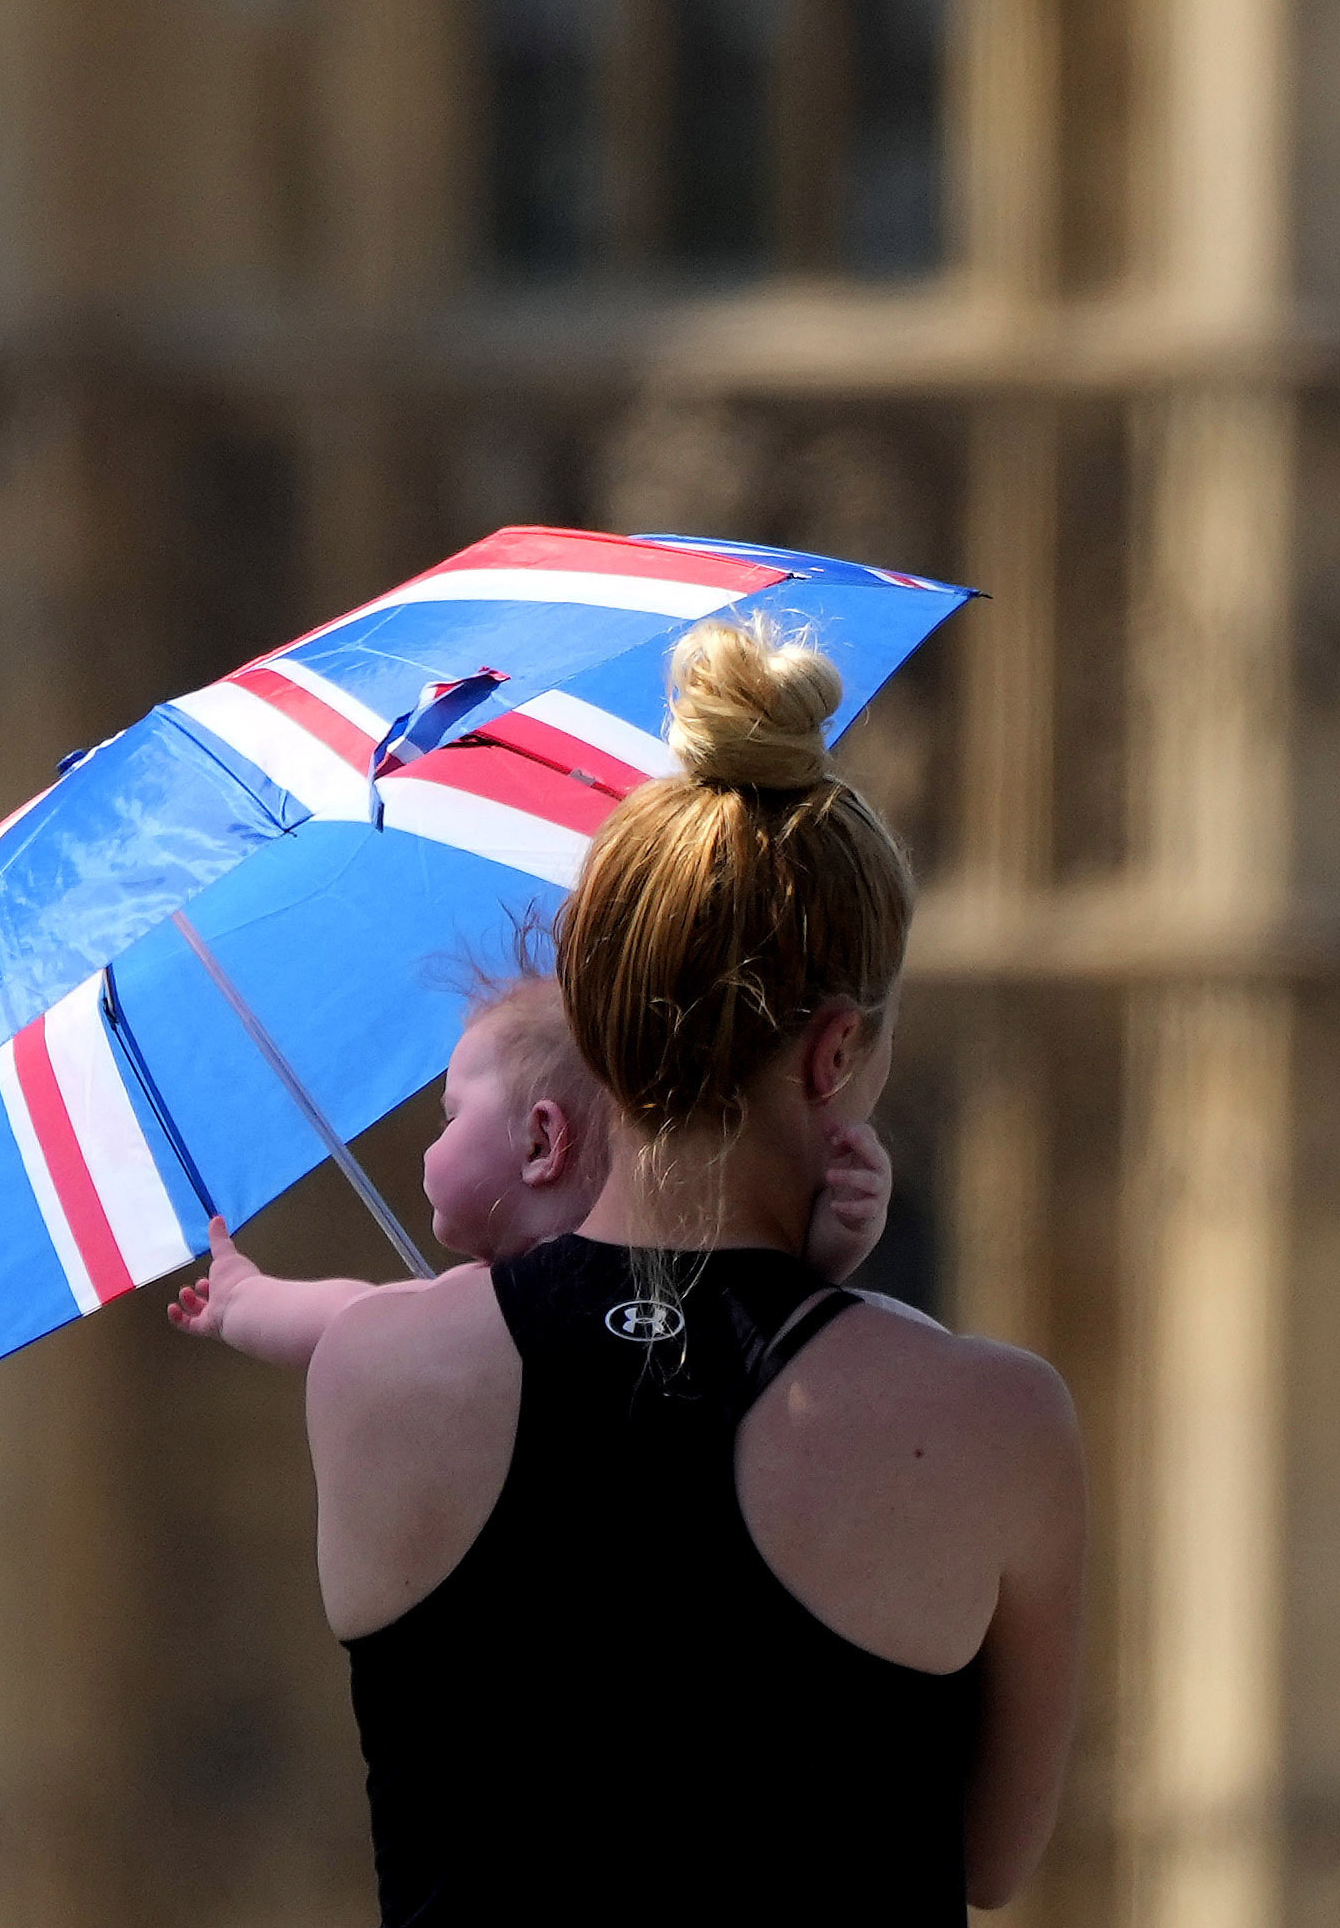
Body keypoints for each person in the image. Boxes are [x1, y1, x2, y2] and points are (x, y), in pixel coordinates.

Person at [301, 618, 1087, 1924]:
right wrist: (833, 1299)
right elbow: (986, 1857)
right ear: (835, 1051)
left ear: (591, 1017)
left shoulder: (373, 1371)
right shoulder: (995, 1421)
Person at [167, 972, 898, 1367]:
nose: (431, 1144)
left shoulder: (482, 1304)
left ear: (541, 1142)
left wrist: (244, 1302)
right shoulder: (679, 1261)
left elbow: (344, 1321)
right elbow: (774, 1304)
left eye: (451, 1115)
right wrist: (834, 1240)